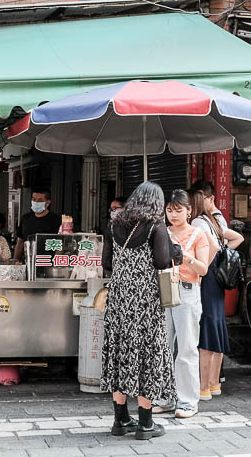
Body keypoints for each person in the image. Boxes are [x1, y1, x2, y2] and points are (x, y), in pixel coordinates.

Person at [100, 182, 176, 440]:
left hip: (119, 298)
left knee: (120, 352)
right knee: (147, 355)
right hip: (145, 301)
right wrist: (177, 250)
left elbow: (107, 263)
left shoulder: (113, 226)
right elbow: (163, 261)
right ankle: (145, 424)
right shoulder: (156, 226)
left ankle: (120, 420)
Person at [153, 189, 211, 419]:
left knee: (186, 348)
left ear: (189, 211)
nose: (173, 215)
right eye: (169, 210)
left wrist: (184, 256)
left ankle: (187, 401)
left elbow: (203, 270)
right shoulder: (160, 232)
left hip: (187, 292)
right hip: (163, 289)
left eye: (178, 210)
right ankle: (164, 397)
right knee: (162, 346)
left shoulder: (198, 235)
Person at [190, 190, 243, 401]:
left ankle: (203, 387)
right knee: (216, 324)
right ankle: (213, 384)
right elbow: (237, 238)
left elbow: (211, 245)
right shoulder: (215, 220)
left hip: (208, 278)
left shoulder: (197, 222)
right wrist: (221, 255)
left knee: (208, 326)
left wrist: (205, 266)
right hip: (217, 280)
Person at [13, 186, 62, 262]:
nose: (36, 202)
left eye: (40, 200)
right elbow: (20, 242)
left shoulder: (56, 219)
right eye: (34, 199)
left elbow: (59, 245)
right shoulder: (26, 218)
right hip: (28, 262)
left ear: (47, 203)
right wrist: (15, 261)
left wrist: (57, 264)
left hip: (48, 263)